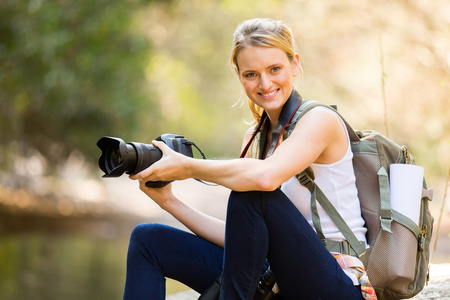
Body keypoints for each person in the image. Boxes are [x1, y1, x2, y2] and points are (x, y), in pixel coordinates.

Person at [123, 18, 375, 300]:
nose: (265, 83)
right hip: (277, 279)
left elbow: (265, 179)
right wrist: (167, 201)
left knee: (254, 193)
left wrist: (187, 167)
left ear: (294, 65)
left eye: (275, 69)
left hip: (337, 286)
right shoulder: (255, 138)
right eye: (251, 74)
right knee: (148, 240)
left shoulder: (319, 120)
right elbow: (244, 243)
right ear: (238, 74)